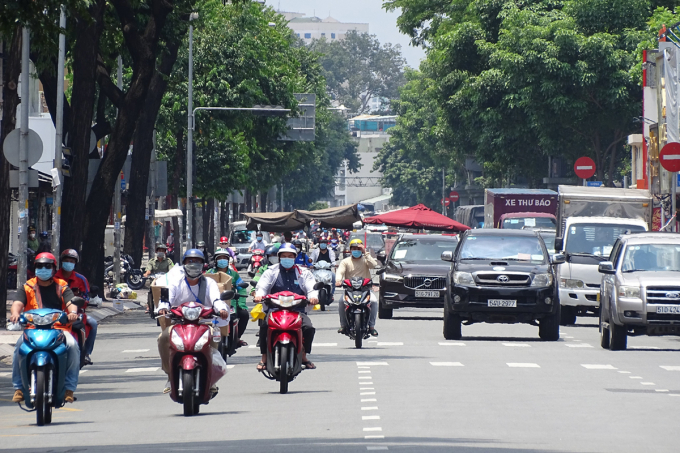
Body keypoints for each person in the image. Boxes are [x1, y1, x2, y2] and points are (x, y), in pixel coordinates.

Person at [9, 253, 80, 403]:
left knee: (73, 346)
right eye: (39, 266)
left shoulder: (62, 285)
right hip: (32, 329)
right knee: (18, 349)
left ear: (54, 269)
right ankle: (19, 388)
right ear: (35, 268)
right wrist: (15, 314)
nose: (43, 269)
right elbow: (17, 303)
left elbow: (70, 302)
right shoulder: (28, 286)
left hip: (59, 328)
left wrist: (72, 313)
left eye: (47, 266)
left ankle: (69, 388)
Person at [156, 249, 230, 393]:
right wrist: (163, 308)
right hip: (179, 323)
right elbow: (167, 299)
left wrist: (221, 309)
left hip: (205, 322)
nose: (193, 265)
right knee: (162, 338)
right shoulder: (176, 282)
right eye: (190, 261)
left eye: (197, 262)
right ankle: (170, 375)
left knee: (213, 341)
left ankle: (211, 379)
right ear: (184, 264)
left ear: (203, 265)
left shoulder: (209, 283)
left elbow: (216, 299)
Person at [253, 243, 318, 371]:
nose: (287, 259)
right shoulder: (271, 272)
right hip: (275, 310)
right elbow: (262, 287)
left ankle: (304, 355)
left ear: (294, 257)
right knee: (264, 327)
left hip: (297, 310)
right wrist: (259, 296)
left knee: (309, 328)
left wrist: (313, 297)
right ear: (279, 257)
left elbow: (311, 287)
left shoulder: (304, 272)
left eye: (290, 256)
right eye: (284, 256)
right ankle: (264, 357)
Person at [54, 249, 97, 365]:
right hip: (54, 313)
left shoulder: (81, 279)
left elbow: (86, 298)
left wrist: (81, 302)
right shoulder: (53, 279)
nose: (68, 263)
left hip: (76, 314)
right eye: (66, 260)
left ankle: (86, 353)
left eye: (71, 261)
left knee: (93, 323)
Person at [335, 239, 379, 336]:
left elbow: (374, 265)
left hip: (365, 289)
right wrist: (338, 280)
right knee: (342, 302)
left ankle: (371, 327)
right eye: (354, 248)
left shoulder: (366, 260)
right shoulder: (345, 261)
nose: (356, 250)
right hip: (350, 290)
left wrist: (366, 253)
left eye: (358, 248)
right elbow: (340, 272)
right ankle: (343, 325)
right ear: (350, 250)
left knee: (374, 301)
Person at [208, 249, 249, 346]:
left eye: (224, 258)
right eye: (220, 258)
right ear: (215, 260)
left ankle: (237, 338)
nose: (222, 260)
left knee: (244, 315)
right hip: (213, 303)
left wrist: (242, 304)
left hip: (231, 303)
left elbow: (241, 288)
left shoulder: (234, 274)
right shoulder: (210, 273)